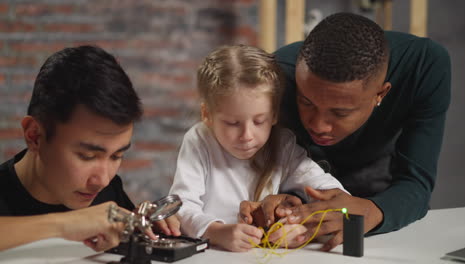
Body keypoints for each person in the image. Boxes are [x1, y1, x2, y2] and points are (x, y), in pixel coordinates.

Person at [238, 12, 451, 251]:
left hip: (378, 202)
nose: (318, 126)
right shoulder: (276, 77)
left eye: (340, 113)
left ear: (380, 94)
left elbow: (416, 183)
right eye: (306, 102)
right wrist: (281, 198)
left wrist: (371, 210)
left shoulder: (424, 65)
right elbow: (275, 171)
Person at [0, 45, 180, 252]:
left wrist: (141, 224)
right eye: (87, 156)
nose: (102, 181)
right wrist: (67, 224)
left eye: (117, 156)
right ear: (35, 136)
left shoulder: (108, 190)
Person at [169, 44, 347, 252]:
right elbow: (180, 207)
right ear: (207, 114)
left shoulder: (283, 144)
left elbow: (335, 196)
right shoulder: (199, 141)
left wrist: (300, 224)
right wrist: (215, 232)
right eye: (232, 123)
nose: (247, 136)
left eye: (259, 121)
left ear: (274, 114)